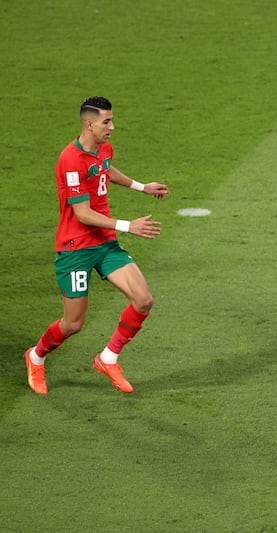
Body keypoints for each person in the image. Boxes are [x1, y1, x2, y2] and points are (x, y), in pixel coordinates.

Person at [24, 96, 170, 395]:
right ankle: (36, 356)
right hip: (75, 247)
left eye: (112, 120)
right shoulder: (70, 160)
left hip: (104, 242)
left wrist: (142, 187)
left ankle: (108, 358)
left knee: (143, 300)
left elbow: (105, 169)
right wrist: (129, 226)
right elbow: (82, 213)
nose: (112, 126)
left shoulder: (103, 148)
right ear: (89, 123)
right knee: (72, 324)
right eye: (106, 121)